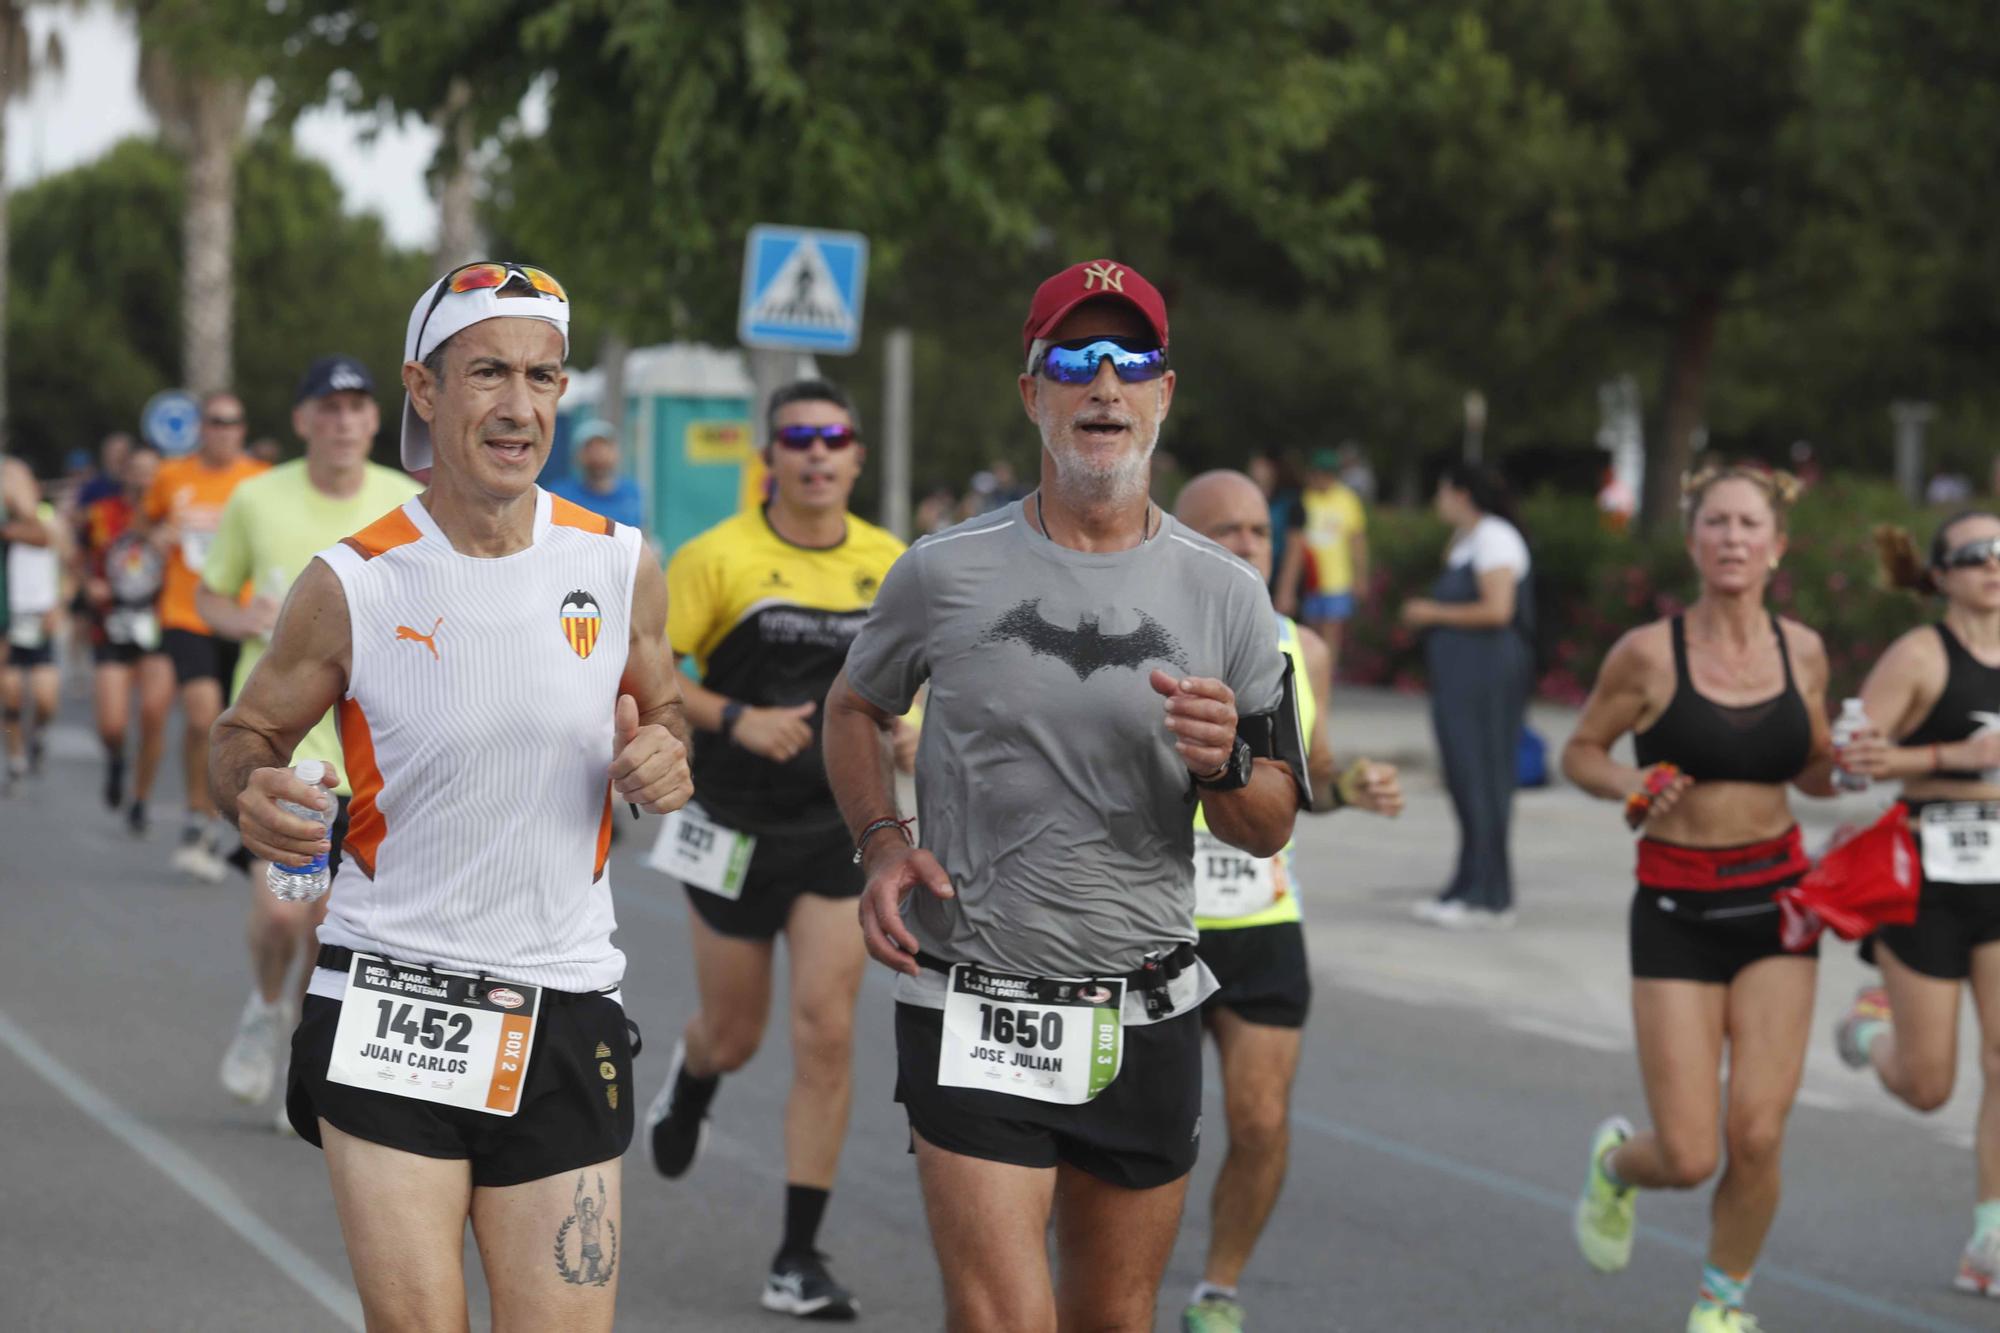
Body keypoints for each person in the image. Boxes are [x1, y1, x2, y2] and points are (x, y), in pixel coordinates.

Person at [823, 259, 1308, 1333]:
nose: (1103, 383)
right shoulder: (944, 571)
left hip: (1143, 1000)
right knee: (1004, 1318)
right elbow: (853, 707)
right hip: (973, 991)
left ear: (1163, 392)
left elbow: (1267, 816)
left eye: (1129, 359)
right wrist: (880, 842)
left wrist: (1224, 762)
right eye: (1073, 359)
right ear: (1030, 390)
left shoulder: (1226, 596)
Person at [212, 260, 692, 1331]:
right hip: (393, 997)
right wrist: (253, 791)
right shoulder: (354, 580)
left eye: (543, 377)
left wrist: (665, 755)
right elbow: (244, 733)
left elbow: (663, 713)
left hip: (564, 1001)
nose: (519, 407)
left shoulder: (619, 564)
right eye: (487, 373)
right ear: (422, 390)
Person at [641, 376, 908, 1320]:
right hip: (729, 819)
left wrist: (910, 729)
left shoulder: (892, 562)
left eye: (834, 436)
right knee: (738, 1032)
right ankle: (694, 1074)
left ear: (857, 456)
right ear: (772, 457)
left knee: (827, 1030)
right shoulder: (720, 557)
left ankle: (798, 1255)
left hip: (839, 826)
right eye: (797, 438)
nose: (816, 453)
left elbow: (920, 682)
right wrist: (738, 717)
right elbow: (651, 673)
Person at [1561, 464, 1838, 1333]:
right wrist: (1628, 783)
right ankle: (1617, 1166)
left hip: (1778, 903)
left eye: (1749, 524)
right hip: (1677, 909)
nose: (1732, 538)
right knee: (1688, 1152)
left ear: (1777, 545)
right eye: (1715, 522)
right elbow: (1581, 751)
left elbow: (1817, 768)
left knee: (1757, 1133)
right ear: (1692, 541)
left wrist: (1854, 763)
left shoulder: (1805, 650)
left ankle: (1722, 1302)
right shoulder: (1648, 652)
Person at [1171, 469, 1403, 1333]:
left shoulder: (1305, 648)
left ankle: (1218, 1292)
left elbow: (1311, 778)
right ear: (1180, 540)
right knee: (1137, 1130)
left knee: (1261, 1119)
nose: (1244, 545)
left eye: (1257, 532)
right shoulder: (1143, 634)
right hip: (1151, 922)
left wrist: (1357, 786)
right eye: (1221, 531)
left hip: (1261, 916)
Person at [197, 355, 421, 1131]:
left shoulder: (410, 502)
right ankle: (263, 1006)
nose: (344, 421)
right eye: (327, 407)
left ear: (375, 419)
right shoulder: (256, 498)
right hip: (285, 749)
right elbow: (209, 594)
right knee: (285, 917)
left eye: (358, 407)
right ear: (302, 420)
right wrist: (246, 620)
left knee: (331, 928)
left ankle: (301, 1049)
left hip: (376, 753)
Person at [1834, 512, 2000, 1297]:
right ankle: (1870, 1033)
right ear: (1939, 575)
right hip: (1928, 878)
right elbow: (1851, 763)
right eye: (1975, 555)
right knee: (1931, 1083)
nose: (1995, 565)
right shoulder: (1920, 655)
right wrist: (1948, 755)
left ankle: (1991, 1240)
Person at [1401, 463, 1535, 927]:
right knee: (1462, 776)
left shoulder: (1496, 537)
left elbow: (1498, 610)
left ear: (1461, 493)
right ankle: (1467, 882)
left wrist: (1431, 612)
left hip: (1487, 675)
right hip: (1460, 677)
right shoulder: (1469, 540)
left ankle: (1489, 895)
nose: (1438, 501)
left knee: (1484, 776)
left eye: (1442, 490)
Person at [144, 391, 269, 879]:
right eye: (216, 422)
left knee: (242, 726)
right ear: (201, 427)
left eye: (234, 422)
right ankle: (198, 816)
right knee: (201, 718)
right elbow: (145, 523)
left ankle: (236, 818)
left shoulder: (259, 479)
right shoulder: (171, 475)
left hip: (243, 618)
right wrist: (156, 536)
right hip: (187, 612)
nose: (225, 430)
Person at [76, 443, 173, 830]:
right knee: (112, 725)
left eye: (152, 471)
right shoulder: (103, 514)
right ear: (125, 473)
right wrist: (88, 585)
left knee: (153, 715)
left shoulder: (170, 518)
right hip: (112, 624)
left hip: (158, 626)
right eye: (138, 470)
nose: (144, 478)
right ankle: (117, 761)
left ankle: (141, 799)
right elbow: (79, 554)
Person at [1278, 447, 1367, 671]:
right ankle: (1310, 674)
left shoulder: (1347, 500)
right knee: (1310, 632)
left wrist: (1360, 576)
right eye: (1318, 473)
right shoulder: (1305, 499)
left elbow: (1357, 541)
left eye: (1327, 474)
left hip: (1337, 579)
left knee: (1332, 633)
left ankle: (1327, 675)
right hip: (1311, 579)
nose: (1322, 479)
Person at [4, 488, 68, 789]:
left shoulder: (49, 520)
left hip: (41, 619)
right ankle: (16, 759)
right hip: (11, 620)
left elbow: (69, 565)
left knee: (45, 699)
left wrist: (59, 605)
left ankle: (39, 734)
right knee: (11, 694)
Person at [547, 418, 645, 532]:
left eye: (604, 448)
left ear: (617, 453)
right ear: (578, 455)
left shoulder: (633, 492)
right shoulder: (558, 495)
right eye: (590, 449)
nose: (598, 455)